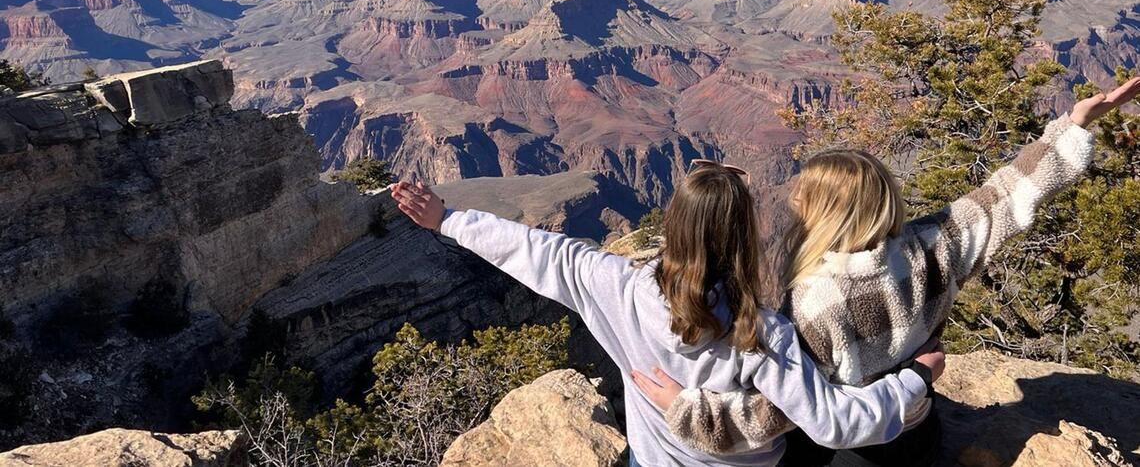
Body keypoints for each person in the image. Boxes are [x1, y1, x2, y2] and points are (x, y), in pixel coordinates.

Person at [630, 77, 1140, 466]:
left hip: (833, 440)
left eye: (802, 200)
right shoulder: (934, 245)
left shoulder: (813, 304)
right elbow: (1009, 196)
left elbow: (779, 413)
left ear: (824, 215)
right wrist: (1072, 127)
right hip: (913, 429)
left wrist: (687, 411)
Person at [392, 160, 945, 467]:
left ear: (673, 225)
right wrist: (914, 380)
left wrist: (448, 219)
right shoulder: (762, 334)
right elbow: (833, 425)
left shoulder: (617, 287)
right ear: (745, 238)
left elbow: (535, 251)